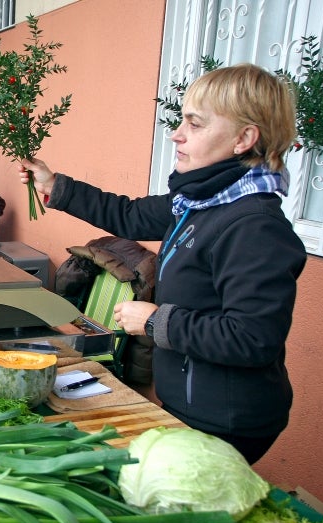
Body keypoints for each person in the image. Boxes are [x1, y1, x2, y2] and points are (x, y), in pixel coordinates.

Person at [18, 64, 307, 465]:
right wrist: (55, 185)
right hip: (188, 401)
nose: (177, 133)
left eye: (195, 123)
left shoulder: (254, 226)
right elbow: (129, 214)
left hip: (226, 418)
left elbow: (252, 338)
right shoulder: (198, 202)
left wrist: (155, 321)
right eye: (181, 120)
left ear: (244, 138)